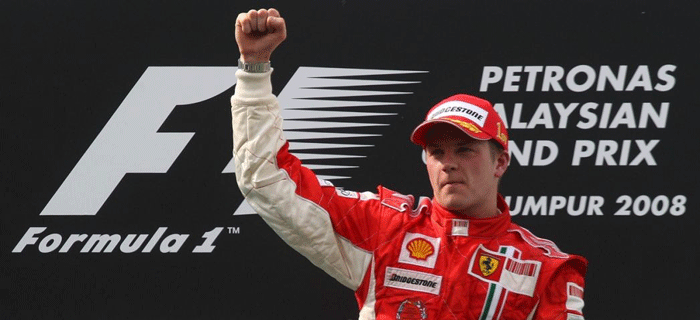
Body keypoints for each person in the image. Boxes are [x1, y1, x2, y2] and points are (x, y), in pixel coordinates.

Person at [231, 8, 587, 320]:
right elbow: (266, 178)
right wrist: (254, 70)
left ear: (501, 163)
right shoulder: (385, 227)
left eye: (464, 150)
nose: (448, 164)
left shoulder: (546, 268)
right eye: (437, 152)